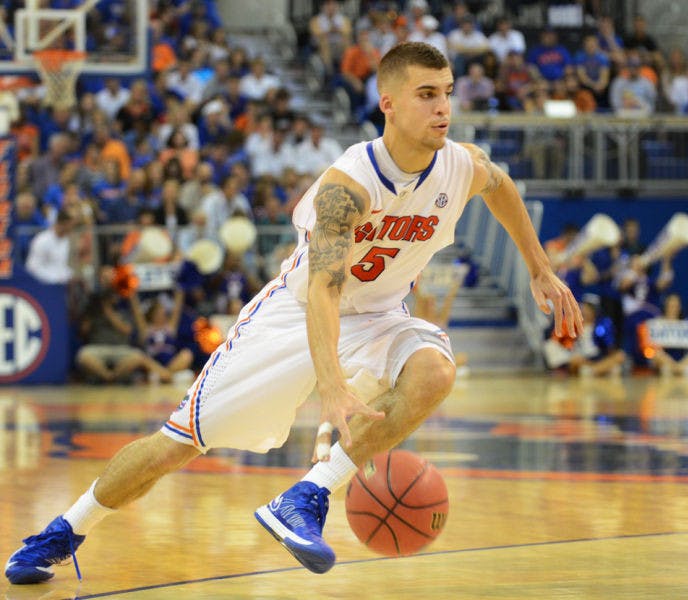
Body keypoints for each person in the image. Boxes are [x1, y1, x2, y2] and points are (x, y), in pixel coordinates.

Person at [5, 42, 583, 585]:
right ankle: (63, 531)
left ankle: (306, 495)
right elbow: (324, 291)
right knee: (174, 447)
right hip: (295, 313)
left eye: (448, 92)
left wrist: (539, 267)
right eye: (427, 94)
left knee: (435, 371)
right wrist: (331, 387)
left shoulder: (459, 165)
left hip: (380, 314)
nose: (444, 108)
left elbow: (501, 186)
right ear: (388, 103)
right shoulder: (348, 186)